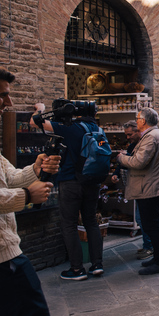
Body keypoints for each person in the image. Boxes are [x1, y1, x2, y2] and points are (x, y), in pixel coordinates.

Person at [0, 67, 60, 316]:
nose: (7, 102)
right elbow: (11, 190)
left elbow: (8, 177)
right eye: (1, 94)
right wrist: (27, 196)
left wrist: (35, 167)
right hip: (3, 255)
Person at [31, 101, 104, 280]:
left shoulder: (71, 128)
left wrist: (39, 109)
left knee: (69, 224)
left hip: (71, 182)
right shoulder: (98, 129)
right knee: (91, 222)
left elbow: (35, 123)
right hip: (92, 182)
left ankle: (77, 269)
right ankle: (97, 265)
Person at [116, 108, 159, 275]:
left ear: (144, 121)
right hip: (150, 186)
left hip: (150, 187)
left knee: (152, 225)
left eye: (139, 118)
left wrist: (121, 158)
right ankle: (157, 259)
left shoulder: (151, 137)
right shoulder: (153, 136)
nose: (137, 120)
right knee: (150, 224)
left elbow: (139, 162)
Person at [110, 121, 152, 259]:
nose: (127, 137)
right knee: (143, 217)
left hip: (146, 186)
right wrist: (116, 172)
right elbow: (125, 160)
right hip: (139, 185)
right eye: (126, 135)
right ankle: (148, 245)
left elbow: (133, 161)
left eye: (129, 134)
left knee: (143, 217)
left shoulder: (146, 144)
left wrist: (123, 158)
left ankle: (150, 246)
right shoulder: (134, 145)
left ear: (138, 131)